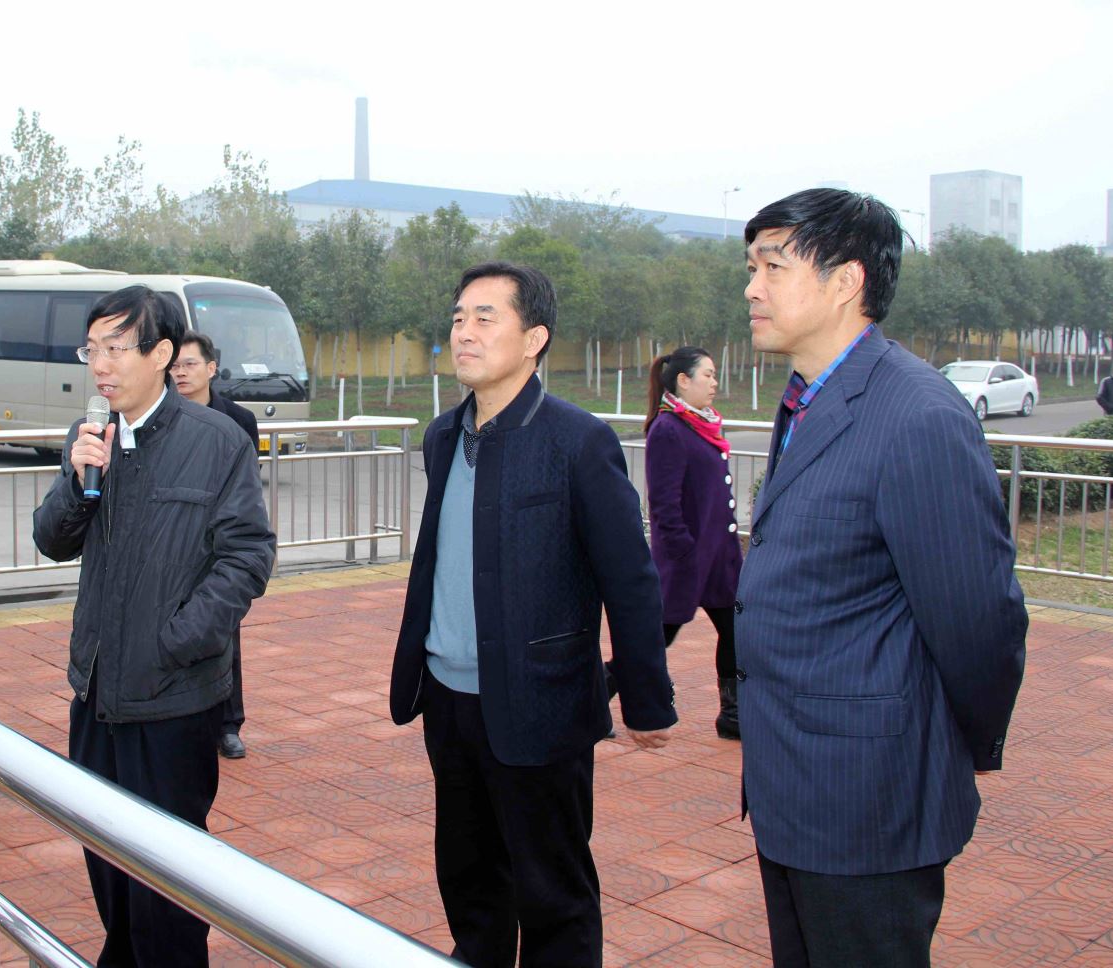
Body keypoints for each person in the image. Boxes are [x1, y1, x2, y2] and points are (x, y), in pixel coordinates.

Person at [739, 188, 1027, 967]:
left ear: (846, 281)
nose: (753, 288)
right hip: (794, 784)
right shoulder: (807, 399)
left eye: (773, 266)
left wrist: (962, 743)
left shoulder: (916, 415)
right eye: (751, 267)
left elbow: (978, 619)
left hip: (867, 798)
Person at [388, 261, 676, 968]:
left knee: (554, 896)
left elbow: (629, 579)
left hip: (541, 705)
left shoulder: (577, 440)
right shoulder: (442, 436)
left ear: (534, 338)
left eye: (486, 318)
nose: (464, 332)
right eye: (459, 317)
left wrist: (646, 699)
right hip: (449, 702)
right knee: (471, 886)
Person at [32, 286, 275, 968]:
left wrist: (181, 639)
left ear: (162, 353)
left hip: (173, 701)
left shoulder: (216, 440)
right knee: (107, 863)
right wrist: (77, 478)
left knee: (168, 888)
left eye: (115, 348)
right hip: (97, 694)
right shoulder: (91, 436)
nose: (100, 365)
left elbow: (248, 554)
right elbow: (51, 540)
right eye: (91, 350)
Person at [643, 346, 743, 739]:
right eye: (708, 375)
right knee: (655, 640)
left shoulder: (701, 424)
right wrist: (684, 550)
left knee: (735, 632)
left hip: (718, 561)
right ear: (683, 381)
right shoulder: (668, 428)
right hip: (687, 561)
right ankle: (597, 696)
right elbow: (664, 503)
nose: (715, 383)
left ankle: (732, 714)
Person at [171, 331, 259, 760]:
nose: (181, 373)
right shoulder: (161, 418)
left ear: (211, 368)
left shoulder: (239, 420)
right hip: (173, 543)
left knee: (224, 631)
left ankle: (228, 724)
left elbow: (247, 488)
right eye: (174, 365)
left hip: (219, 543)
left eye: (189, 364)